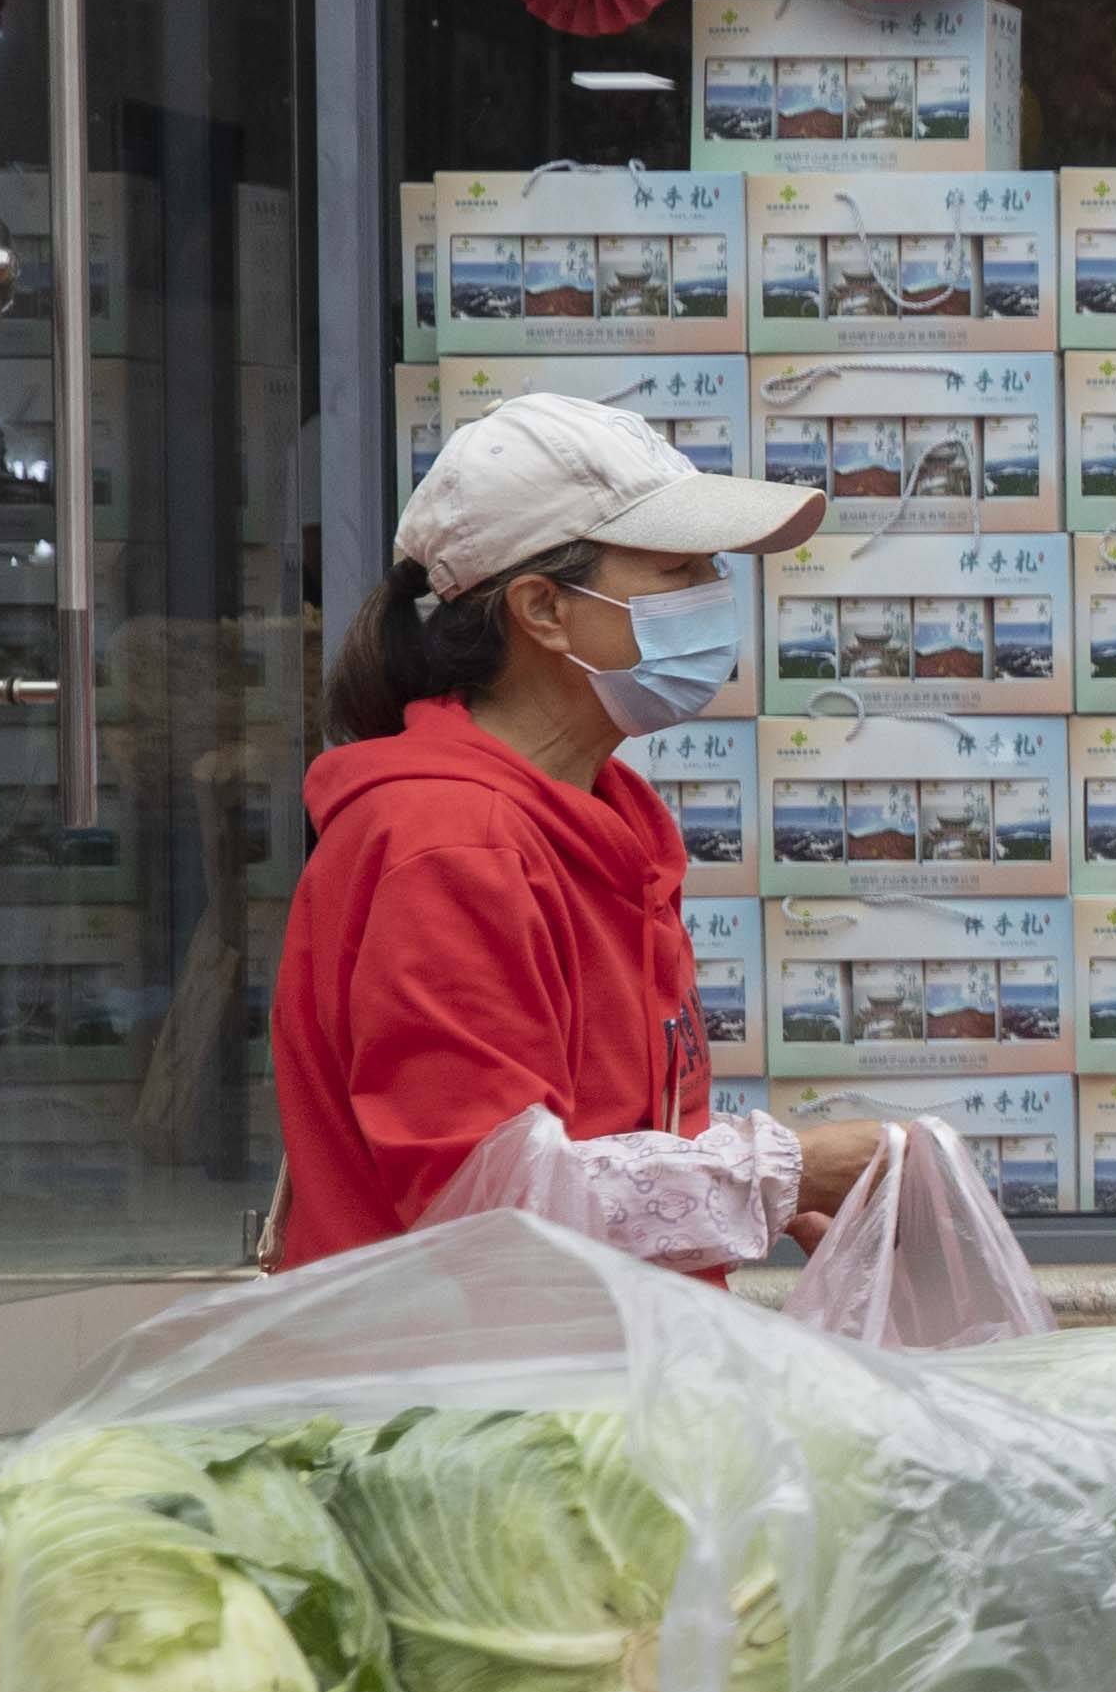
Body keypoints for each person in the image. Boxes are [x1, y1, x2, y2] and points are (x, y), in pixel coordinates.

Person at [273, 389, 883, 1266]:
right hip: (460, 1388)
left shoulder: (593, 814)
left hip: (574, 1380)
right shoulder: (449, 842)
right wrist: (780, 1174)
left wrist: (735, 1200)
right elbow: (488, 1207)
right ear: (542, 609)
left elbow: (592, 1141)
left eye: (711, 568)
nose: (715, 597)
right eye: (678, 574)